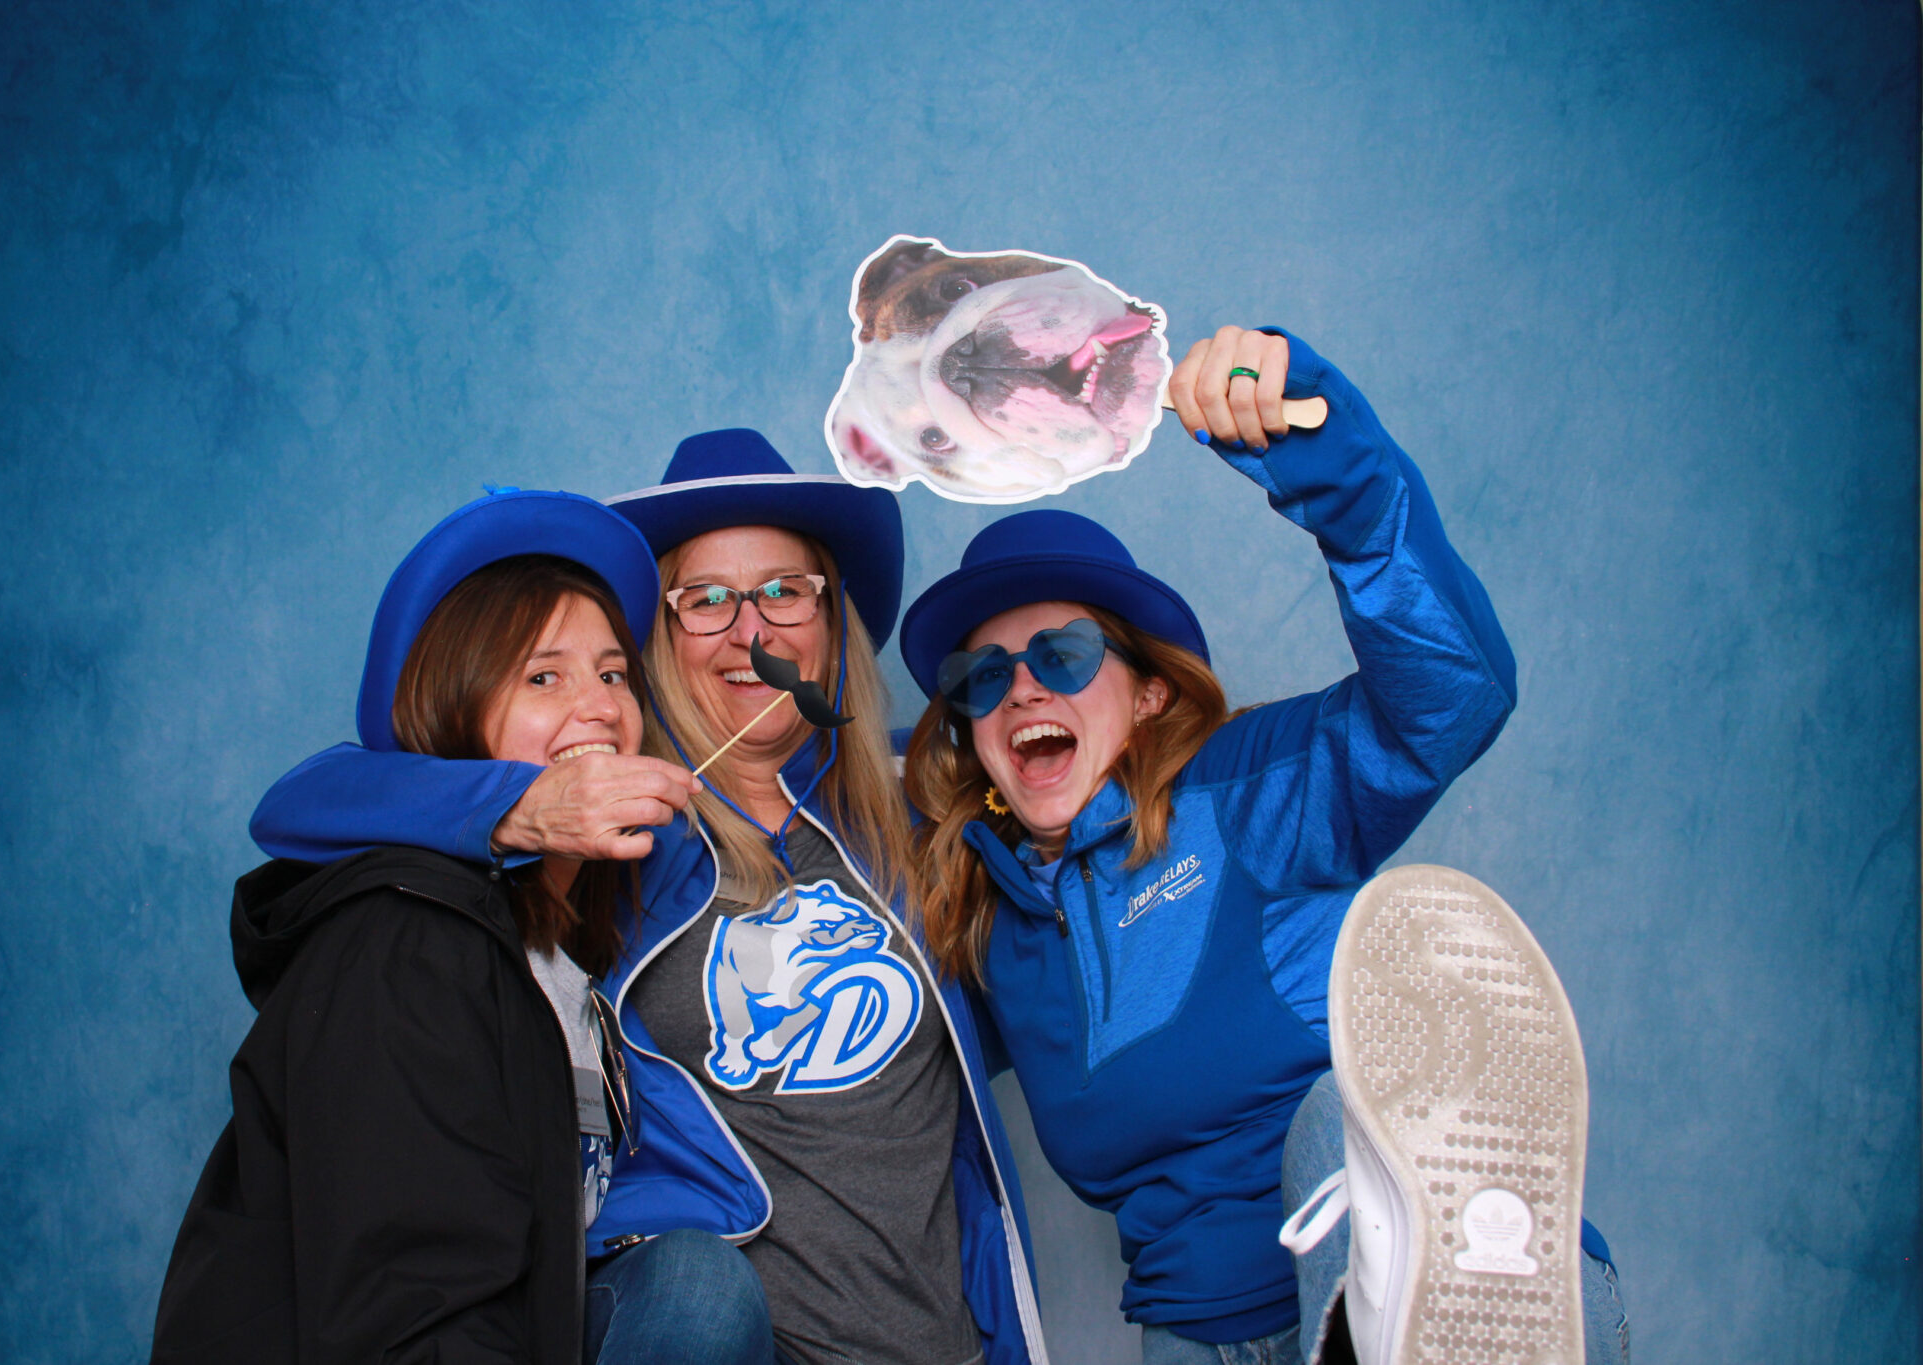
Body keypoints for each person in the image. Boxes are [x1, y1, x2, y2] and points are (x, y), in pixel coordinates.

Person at [899, 327, 1627, 1365]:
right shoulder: (988, 927)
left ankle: (1447, 1304)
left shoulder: (1244, 793)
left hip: (1387, 1253)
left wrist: (1329, 466)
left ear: (1150, 694)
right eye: (982, 679)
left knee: (1337, 1116)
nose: (1019, 688)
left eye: (1061, 655)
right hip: (1197, 1331)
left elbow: (1450, 696)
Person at [248, 430, 1049, 1365]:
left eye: (785, 590)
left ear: (832, 620)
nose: (752, 633)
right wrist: (521, 807)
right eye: (705, 600)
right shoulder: (613, 833)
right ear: (658, 641)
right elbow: (306, 803)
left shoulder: (919, 808)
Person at [152, 488, 668, 1365]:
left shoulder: (558, 961)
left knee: (687, 1280)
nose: (599, 705)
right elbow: (414, 1312)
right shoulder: (414, 941)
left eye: (613, 673)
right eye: (543, 676)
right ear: (454, 708)